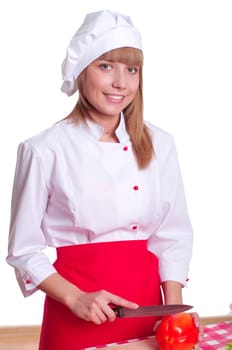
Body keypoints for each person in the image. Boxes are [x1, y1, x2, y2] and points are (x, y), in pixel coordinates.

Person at [6, 9, 200, 350]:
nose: (121, 83)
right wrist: (75, 297)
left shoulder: (160, 143)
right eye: (106, 66)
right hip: (77, 312)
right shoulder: (44, 150)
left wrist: (172, 313)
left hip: (148, 312)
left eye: (131, 69)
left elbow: (172, 233)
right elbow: (24, 250)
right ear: (82, 72)